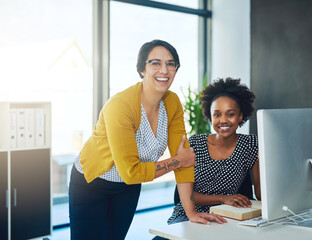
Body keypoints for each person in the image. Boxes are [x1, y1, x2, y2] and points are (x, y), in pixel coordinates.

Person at [68, 39, 226, 240]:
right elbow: (135, 171)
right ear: (142, 69)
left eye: (171, 64)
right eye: (155, 63)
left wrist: (191, 213)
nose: (164, 70)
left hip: (128, 187)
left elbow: (184, 159)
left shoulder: (172, 102)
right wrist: (178, 160)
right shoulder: (120, 106)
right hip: (93, 182)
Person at [167, 77, 260, 224]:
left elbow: (261, 195)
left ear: (240, 116)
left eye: (230, 114)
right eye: (217, 114)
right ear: (210, 117)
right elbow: (183, 195)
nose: (223, 120)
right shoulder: (194, 144)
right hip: (189, 213)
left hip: (227, 215)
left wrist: (265, 160)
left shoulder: (251, 144)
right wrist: (223, 198)